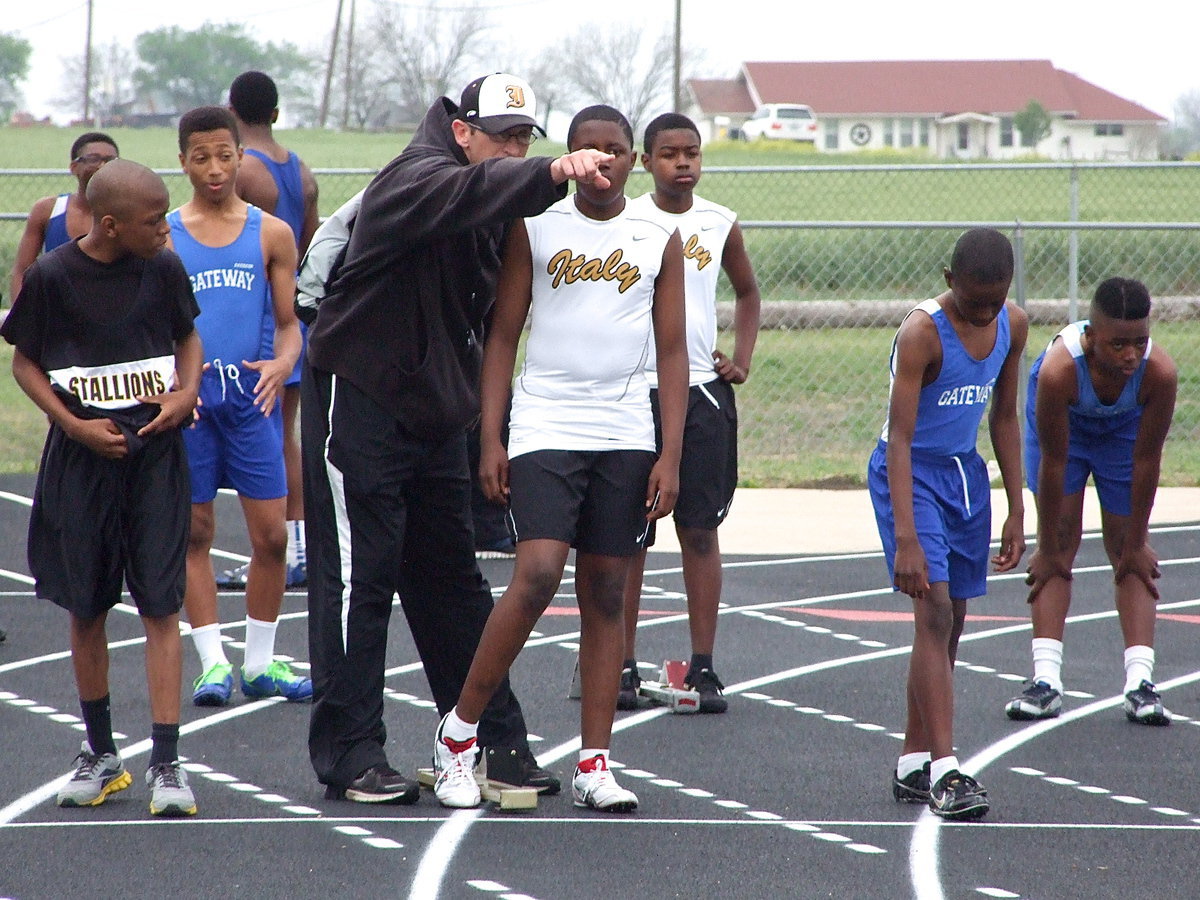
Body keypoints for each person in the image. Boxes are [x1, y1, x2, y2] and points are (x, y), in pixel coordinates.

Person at [303, 73, 616, 804]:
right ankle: (350, 753)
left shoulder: (497, 198)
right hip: (364, 394)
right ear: (460, 130)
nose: (511, 147)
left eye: (524, 137)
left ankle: (491, 740)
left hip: (439, 410)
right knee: (361, 577)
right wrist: (545, 173)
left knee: (451, 578)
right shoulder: (416, 177)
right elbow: (459, 197)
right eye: (500, 134)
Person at [430, 104, 687, 813]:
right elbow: (503, 333)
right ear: (569, 158)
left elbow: (672, 352)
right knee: (538, 573)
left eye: (616, 150)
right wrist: (492, 435)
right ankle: (458, 737)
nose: (603, 161)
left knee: (607, 592)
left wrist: (670, 453)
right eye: (588, 149)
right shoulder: (534, 226)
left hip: (626, 431)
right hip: (546, 421)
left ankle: (594, 762)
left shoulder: (657, 236)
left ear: (633, 160)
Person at [1, 159, 202, 816]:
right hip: (83, 460)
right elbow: (24, 361)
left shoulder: (164, 269)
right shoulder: (55, 277)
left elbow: (187, 336)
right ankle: (102, 752)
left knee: (160, 607)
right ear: (111, 224)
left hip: (156, 457)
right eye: (153, 222)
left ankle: (167, 763)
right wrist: (73, 424)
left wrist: (185, 393)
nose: (166, 231)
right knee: (86, 607)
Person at [867, 227, 1027, 821]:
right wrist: (905, 536)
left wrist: (1016, 504)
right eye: (972, 301)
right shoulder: (921, 334)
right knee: (932, 611)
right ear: (947, 280)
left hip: (964, 475)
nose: (984, 312)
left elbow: (1005, 417)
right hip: (909, 475)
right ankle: (945, 770)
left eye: (995, 299)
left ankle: (912, 762)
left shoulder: (1013, 323)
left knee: (953, 620)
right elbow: (901, 439)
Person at [167, 106, 310, 707]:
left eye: (225, 155)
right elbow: (153, 329)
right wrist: (172, 386)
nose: (215, 168)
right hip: (193, 407)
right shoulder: (165, 236)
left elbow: (289, 325)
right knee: (195, 532)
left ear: (240, 156)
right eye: (201, 157)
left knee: (272, 537)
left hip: (251, 401)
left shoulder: (270, 232)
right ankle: (211, 664)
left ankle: (259, 661)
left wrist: (281, 364)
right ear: (183, 162)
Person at [618, 112, 761, 714]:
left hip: (701, 394)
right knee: (627, 536)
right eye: (670, 153)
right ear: (646, 162)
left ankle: (703, 665)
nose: (683, 163)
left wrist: (743, 357)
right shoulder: (625, 220)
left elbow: (748, 293)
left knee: (699, 532)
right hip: (632, 394)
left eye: (693, 153)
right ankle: (619, 663)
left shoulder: (719, 222)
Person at [1006, 277, 1177, 725]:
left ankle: (1140, 684)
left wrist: (1138, 539)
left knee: (1128, 550)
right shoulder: (1059, 371)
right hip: (1066, 434)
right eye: (1118, 344)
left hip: (1123, 434)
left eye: (1140, 342)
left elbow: (1146, 459)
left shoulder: (1158, 373)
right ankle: (1046, 682)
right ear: (1091, 335)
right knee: (1060, 543)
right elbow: (1055, 462)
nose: (1130, 355)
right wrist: (1044, 545)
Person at [221, 70, 320, 590]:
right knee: (285, 437)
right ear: (276, 113)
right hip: (293, 314)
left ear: (232, 113)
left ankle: (280, 553)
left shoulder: (244, 172)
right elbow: (312, 245)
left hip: (258, 318)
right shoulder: (300, 172)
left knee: (263, 437)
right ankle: (296, 549)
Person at [9, 132, 120, 300]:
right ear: (74, 167)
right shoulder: (49, 210)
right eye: (93, 159)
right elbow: (21, 271)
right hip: (55, 314)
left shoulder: (127, 213)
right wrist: (22, 316)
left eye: (111, 161)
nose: (102, 166)